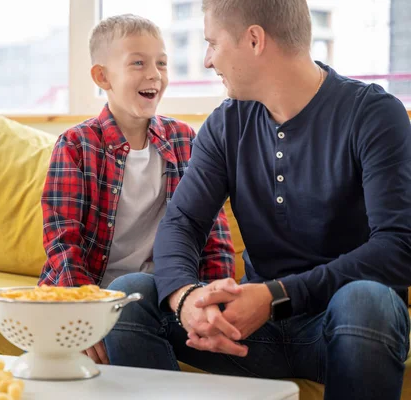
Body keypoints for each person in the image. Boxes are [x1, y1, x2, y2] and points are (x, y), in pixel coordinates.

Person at [103, 1, 411, 399]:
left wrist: (275, 297)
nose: (208, 59)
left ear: (253, 40)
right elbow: (182, 223)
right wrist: (187, 299)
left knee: (366, 299)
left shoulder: (373, 113)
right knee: (130, 297)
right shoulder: (226, 123)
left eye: (212, 43)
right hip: (250, 332)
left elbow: (399, 248)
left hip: (343, 328)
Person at [38, 13, 235, 366]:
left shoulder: (185, 141)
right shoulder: (75, 145)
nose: (154, 75)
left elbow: (213, 235)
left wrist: (214, 302)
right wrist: (87, 318)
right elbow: (62, 243)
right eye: (138, 63)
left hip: (156, 296)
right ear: (102, 77)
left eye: (161, 63)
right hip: (83, 295)